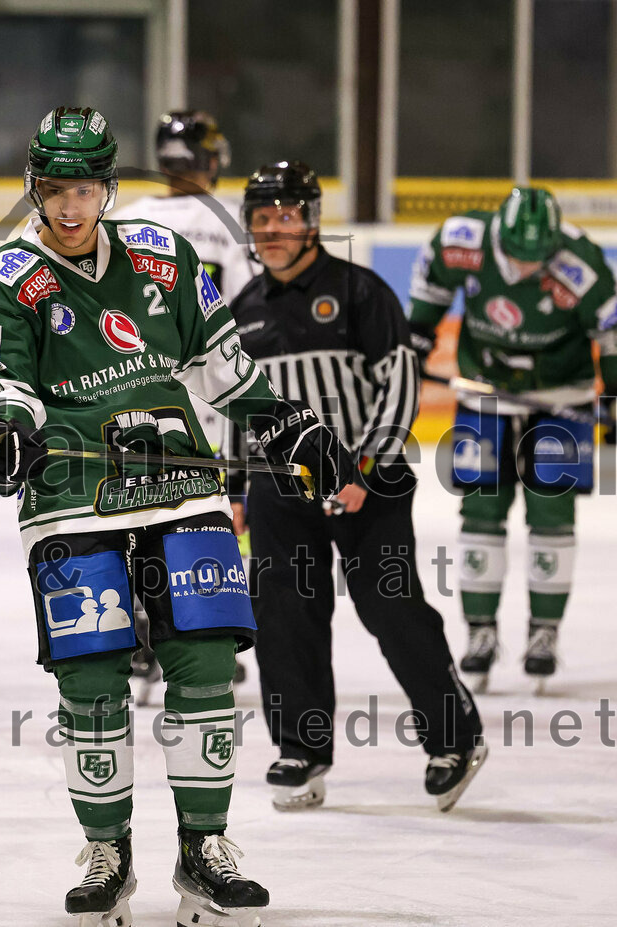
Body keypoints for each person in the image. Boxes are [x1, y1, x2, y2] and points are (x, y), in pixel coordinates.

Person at [0, 108, 352, 927]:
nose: (69, 209)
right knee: (93, 680)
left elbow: (219, 362)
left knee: (205, 664)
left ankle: (203, 847)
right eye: (54, 191)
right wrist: (2, 428)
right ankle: (108, 849)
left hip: (182, 481)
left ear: (108, 188)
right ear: (34, 188)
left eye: (85, 190)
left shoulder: (164, 257)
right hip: (70, 491)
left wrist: (284, 420)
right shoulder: (3, 277)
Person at [227, 160, 486, 813]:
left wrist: (365, 467)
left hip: (370, 476)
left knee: (390, 608)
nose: (273, 228)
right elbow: (234, 402)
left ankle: (454, 737)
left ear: (311, 220)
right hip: (279, 482)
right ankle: (301, 748)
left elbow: (400, 380)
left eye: (286, 214)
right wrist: (234, 487)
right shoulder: (243, 310)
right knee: (285, 616)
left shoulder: (358, 290)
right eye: (262, 218)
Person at [408, 186, 617, 694]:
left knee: (552, 514)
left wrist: (613, 396)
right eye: (514, 257)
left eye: (535, 259)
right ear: (496, 236)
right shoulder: (460, 240)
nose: (524, 268)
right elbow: (429, 296)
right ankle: (480, 633)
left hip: (559, 398)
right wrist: (413, 342)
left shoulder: (582, 263)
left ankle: (544, 634)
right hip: (486, 395)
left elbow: (612, 335)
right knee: (481, 511)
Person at [112, 109, 259, 700]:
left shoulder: (123, 220)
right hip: (207, 400)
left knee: (132, 514)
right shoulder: (231, 225)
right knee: (207, 516)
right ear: (210, 160)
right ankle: (204, 632)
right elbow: (249, 320)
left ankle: (140, 635)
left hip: (125, 394)